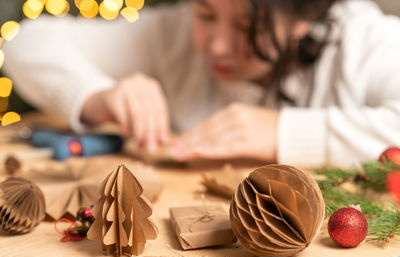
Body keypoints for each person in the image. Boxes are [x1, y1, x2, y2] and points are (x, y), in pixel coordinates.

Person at [2, 0, 400, 168]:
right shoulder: (169, 35)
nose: (218, 46)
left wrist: (280, 132)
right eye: (206, 15)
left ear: (302, 17)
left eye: (247, 26)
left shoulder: (366, 41)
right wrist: (93, 94)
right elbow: (27, 41)